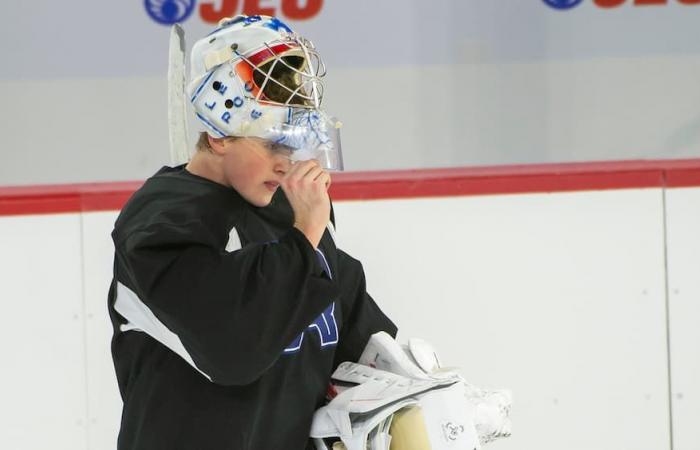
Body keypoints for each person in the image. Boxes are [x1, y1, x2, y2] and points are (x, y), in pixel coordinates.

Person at [107, 14, 397, 450]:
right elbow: (234, 351)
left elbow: (352, 341)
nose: (287, 163)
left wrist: (416, 390)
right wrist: (304, 237)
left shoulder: (292, 215)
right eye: (273, 143)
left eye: (295, 143)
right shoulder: (161, 225)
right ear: (220, 136)